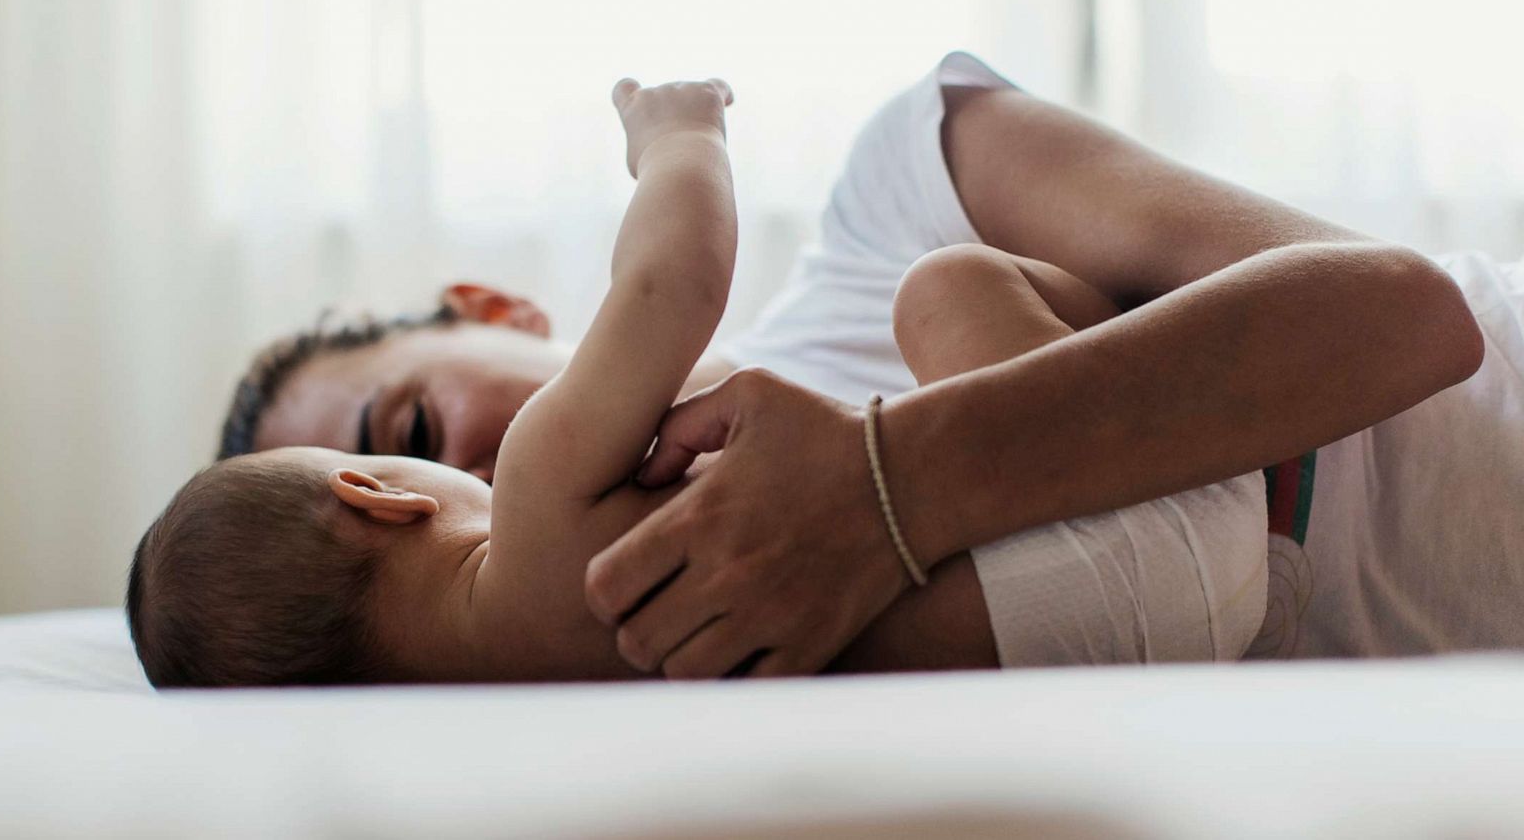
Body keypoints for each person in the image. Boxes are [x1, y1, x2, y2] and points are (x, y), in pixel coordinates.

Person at [221, 52, 1501, 677]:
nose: (488, 470)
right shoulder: (618, 555)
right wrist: (676, 134)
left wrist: (891, 484)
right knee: (959, 298)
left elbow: (1415, 318)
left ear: (486, 304)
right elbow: (671, 272)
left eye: (416, 416)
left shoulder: (910, 188)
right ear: (378, 507)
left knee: (945, 285)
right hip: (1228, 580)